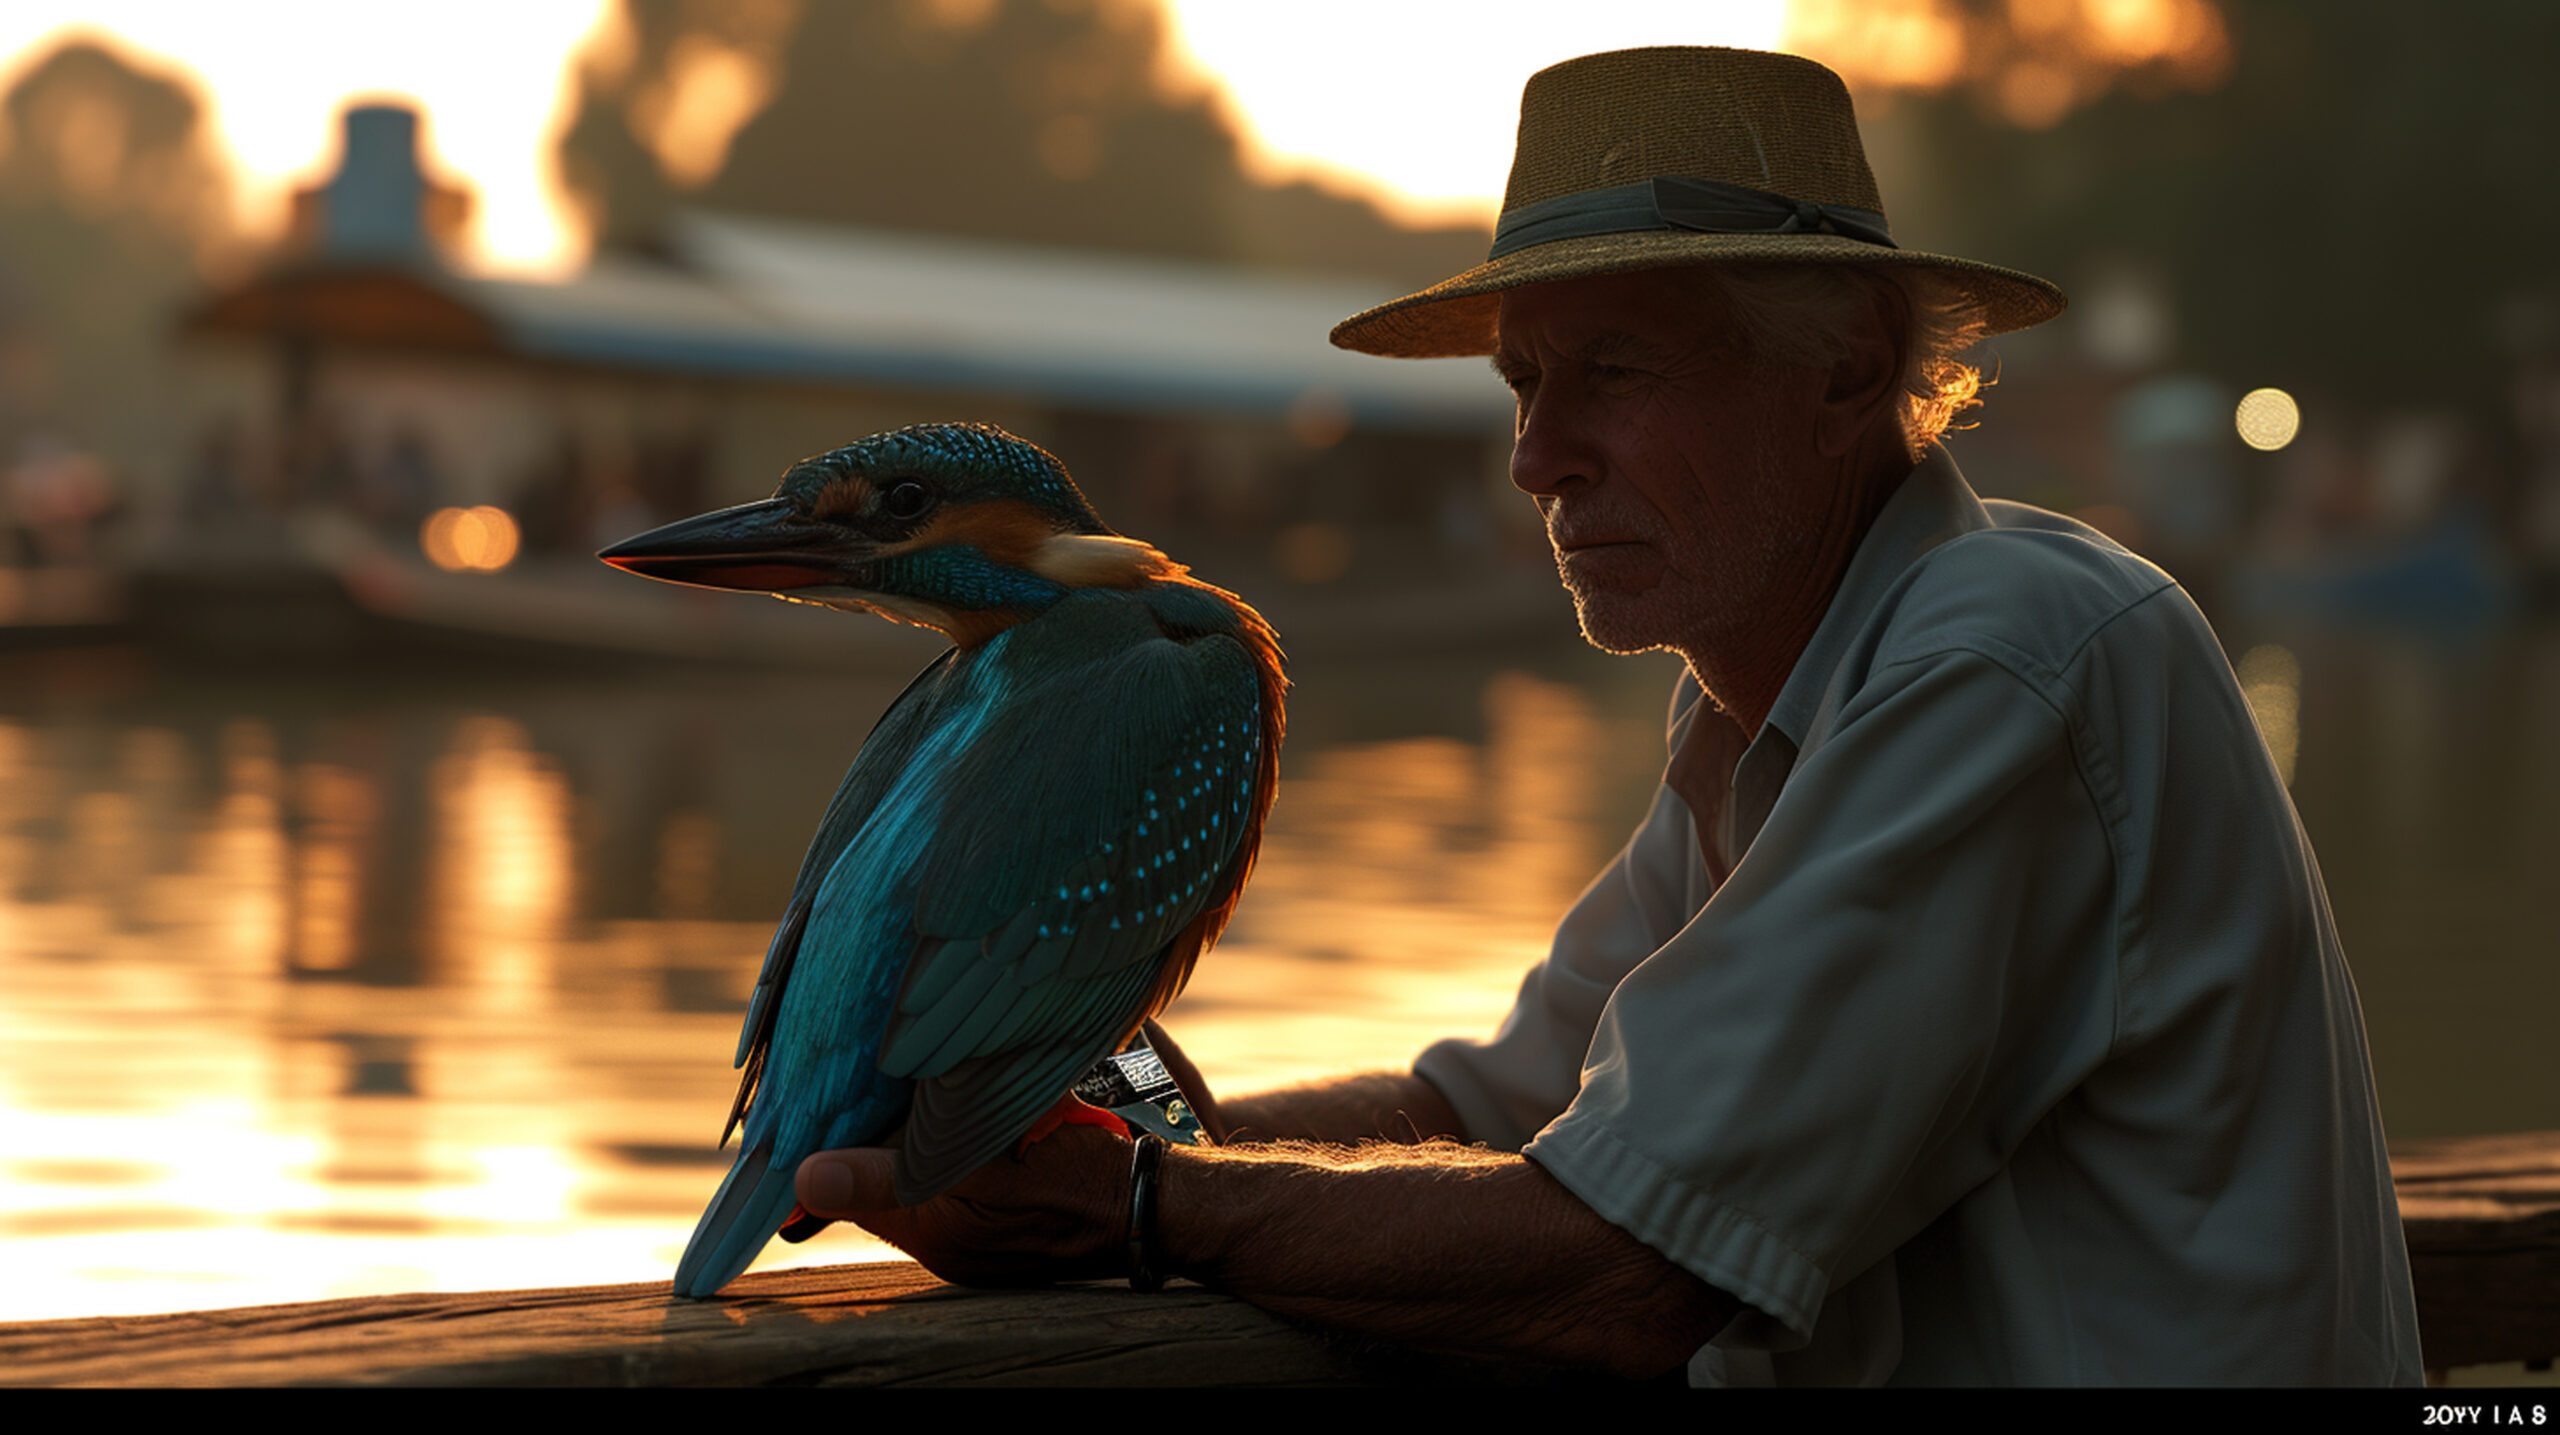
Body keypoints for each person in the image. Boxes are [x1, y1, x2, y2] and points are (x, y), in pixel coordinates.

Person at [789, 46, 2425, 1385]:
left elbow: (1628, 1261)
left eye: (1616, 376)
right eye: (1523, 385)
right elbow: (1495, 1112)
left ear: (1851, 366)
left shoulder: (2003, 659)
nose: (1536, 458)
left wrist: (1137, 1204)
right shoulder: (1763, 705)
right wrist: (1093, 1133)